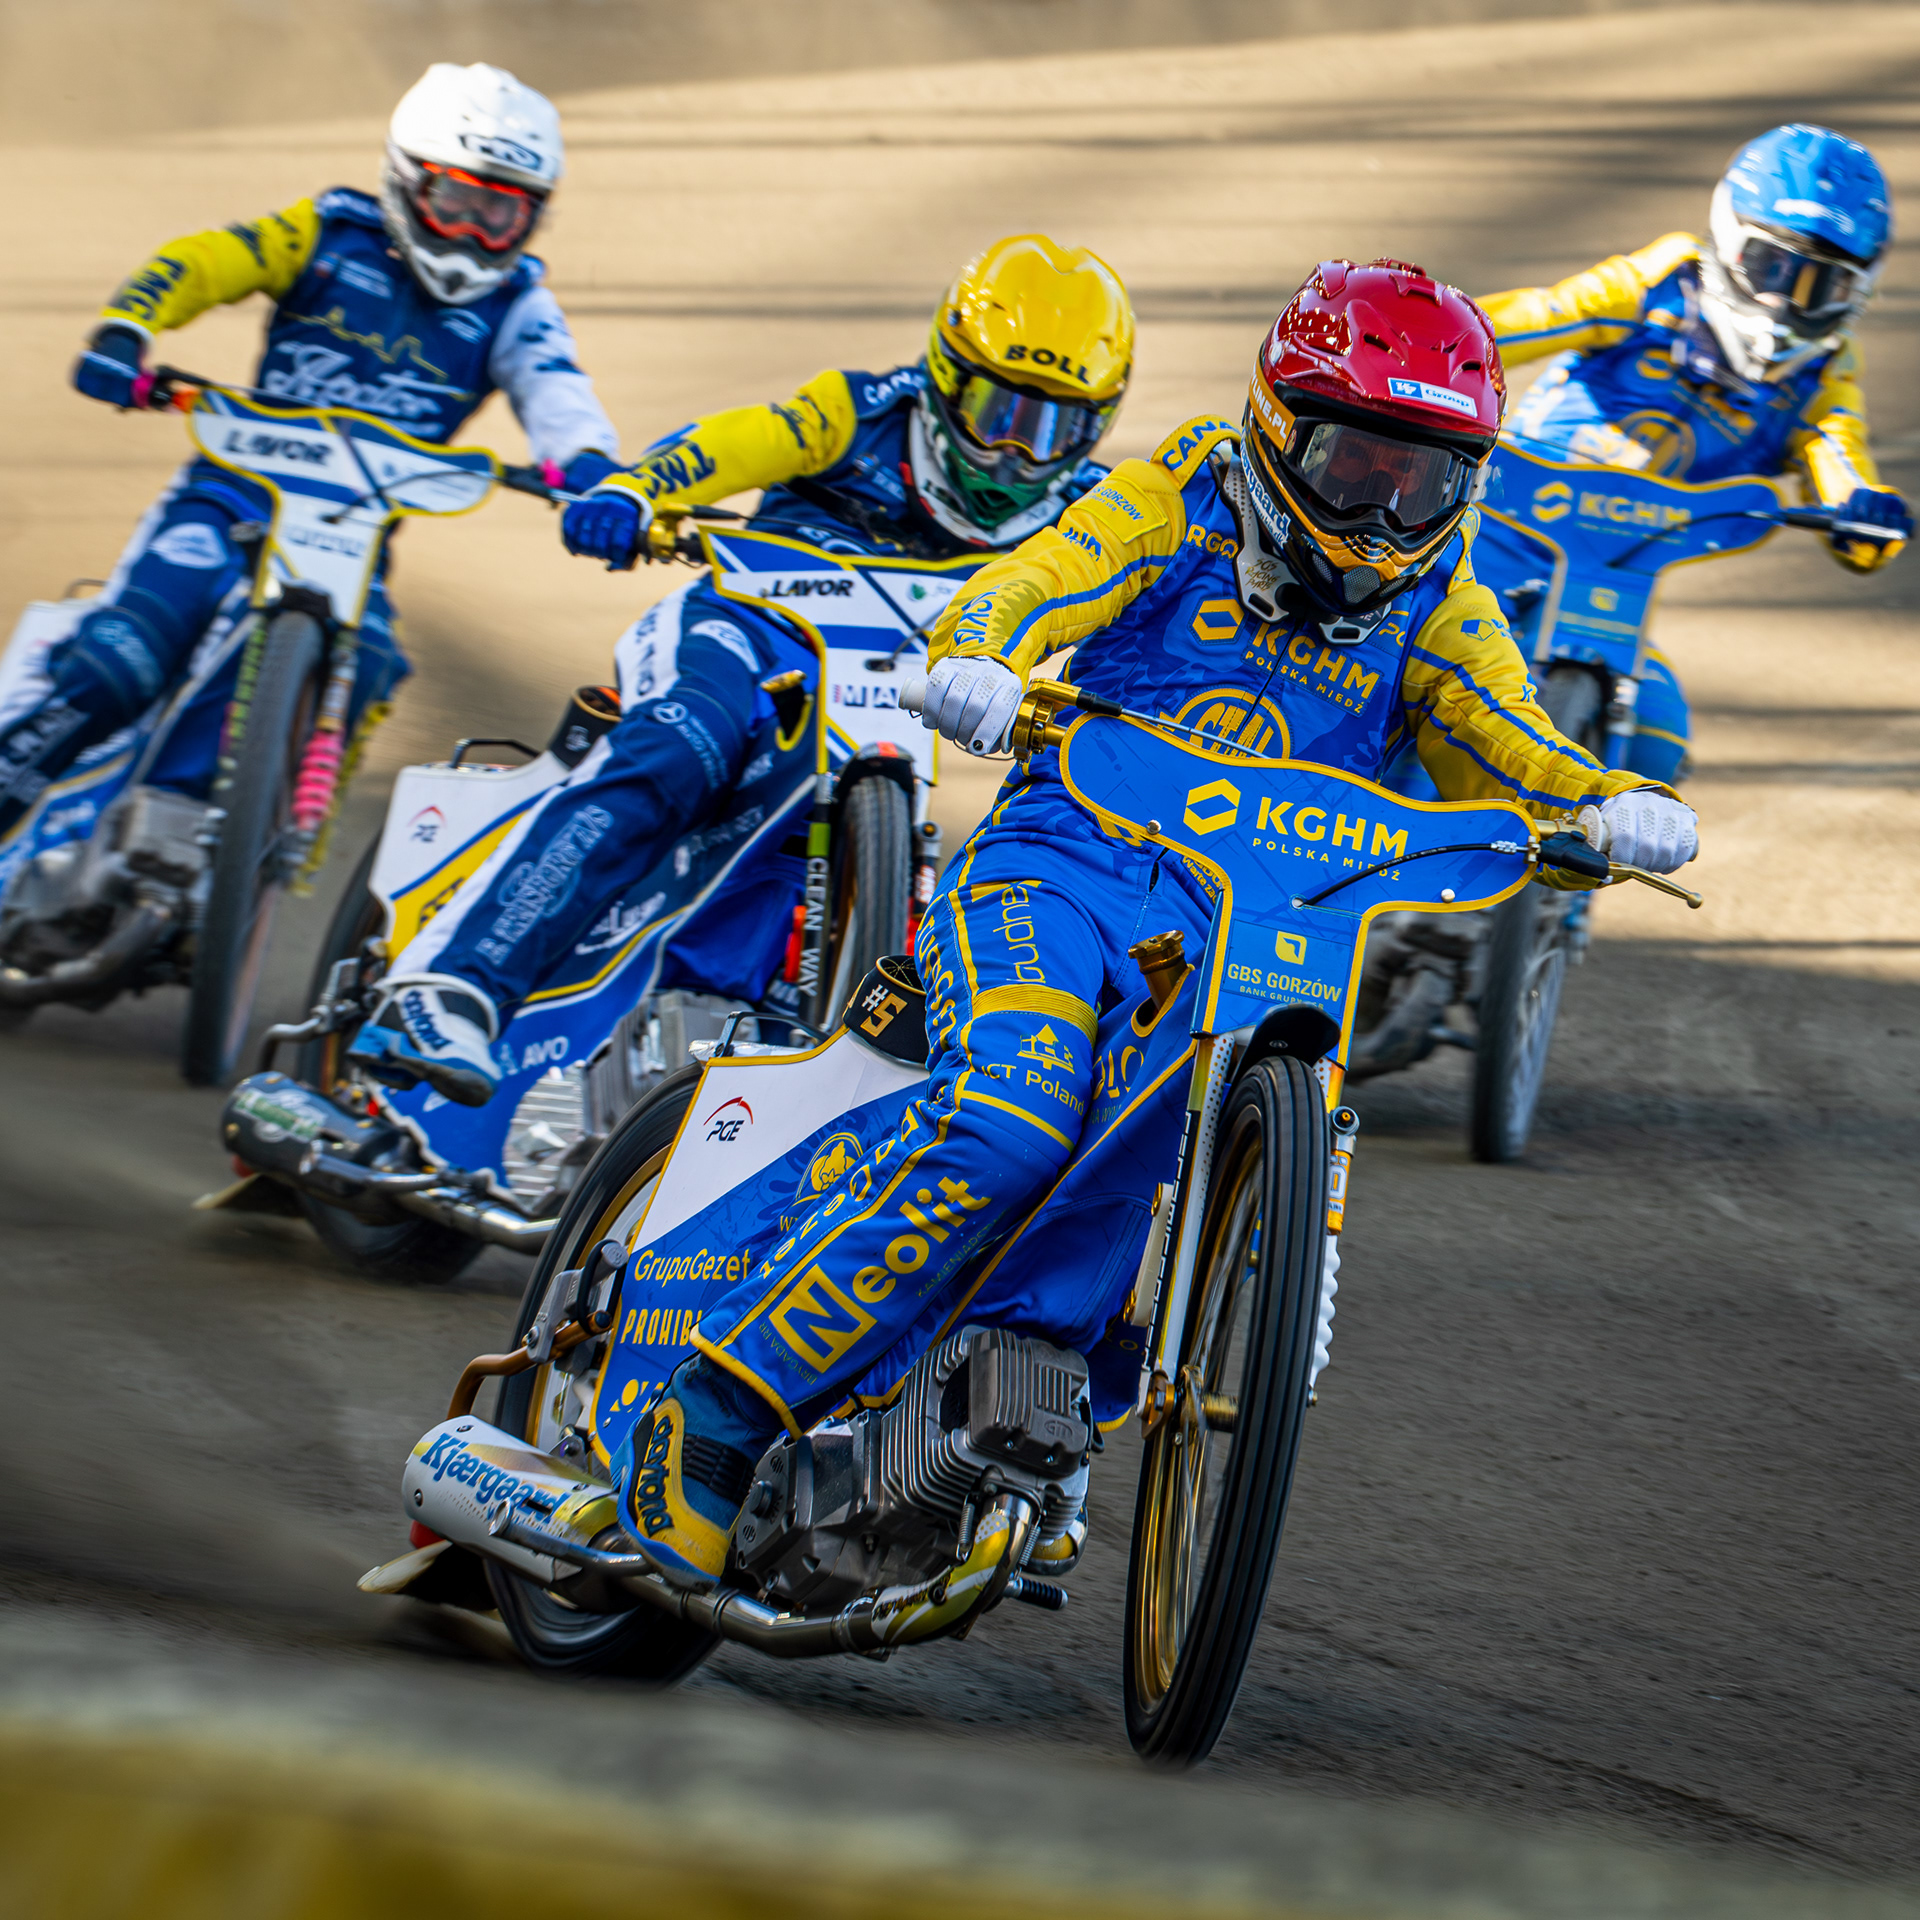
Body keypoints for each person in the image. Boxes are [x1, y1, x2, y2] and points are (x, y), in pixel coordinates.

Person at [604, 256, 1705, 1585]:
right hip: (1055, 875)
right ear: (1279, 429)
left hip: (1256, 934)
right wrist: (977, 652)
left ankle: (986, 1405)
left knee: (1169, 1148)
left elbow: (1505, 728)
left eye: (1423, 478)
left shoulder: (1444, 598)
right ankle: (719, 1404)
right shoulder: (1177, 498)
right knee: (1014, 1113)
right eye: (1357, 463)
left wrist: (1605, 800)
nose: (1384, 510)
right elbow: (1045, 578)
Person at [347, 234, 1134, 1104]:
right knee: (684, 741)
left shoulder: (1096, 506)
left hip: (908, 690)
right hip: (757, 633)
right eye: (998, 411)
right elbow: (737, 443)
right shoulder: (855, 413)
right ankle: (452, 985)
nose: (1017, 454)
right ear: (946, 377)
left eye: (1054, 428)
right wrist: (638, 489)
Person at [0, 64, 620, 852]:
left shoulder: (518, 305)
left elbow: (558, 389)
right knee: (119, 663)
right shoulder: (323, 234)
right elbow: (204, 260)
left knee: (370, 663)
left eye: (501, 213)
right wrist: (126, 330)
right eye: (458, 200)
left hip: (352, 540)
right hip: (228, 499)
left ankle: (243, 854)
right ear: (407, 178)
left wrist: (592, 469)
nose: (472, 233)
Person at [1476, 122, 1908, 784]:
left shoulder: (1822, 380)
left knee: (1658, 739)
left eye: (1822, 287)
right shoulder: (1654, 286)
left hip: (1612, 580)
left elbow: (1840, 463)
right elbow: (1530, 317)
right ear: (1727, 239)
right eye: (1771, 267)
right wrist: (1420, 336)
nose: (1785, 305)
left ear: (1859, 293)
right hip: (1483, 532)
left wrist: (1865, 513)